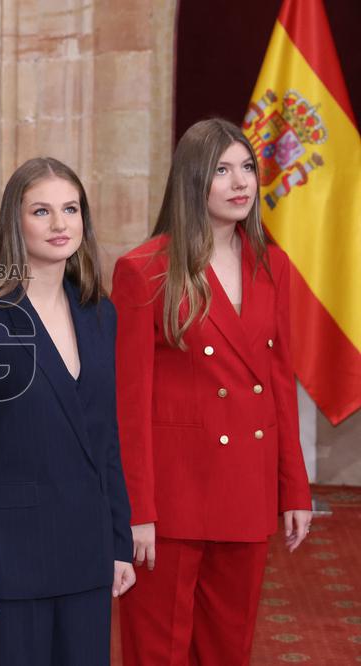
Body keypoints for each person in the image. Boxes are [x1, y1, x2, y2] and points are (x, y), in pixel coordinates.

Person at [112, 118, 313, 666]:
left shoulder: (273, 265)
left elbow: (279, 381)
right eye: (222, 170)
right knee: (159, 650)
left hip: (246, 489)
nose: (240, 182)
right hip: (172, 497)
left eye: (246, 168)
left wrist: (293, 488)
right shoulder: (144, 269)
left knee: (229, 646)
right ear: (192, 181)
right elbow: (128, 403)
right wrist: (137, 509)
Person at [0, 157, 135, 664]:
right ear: (15, 223)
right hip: (7, 566)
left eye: (70, 209)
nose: (60, 223)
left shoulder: (100, 313)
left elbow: (106, 440)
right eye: (42, 211)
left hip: (86, 554)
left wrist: (118, 541)